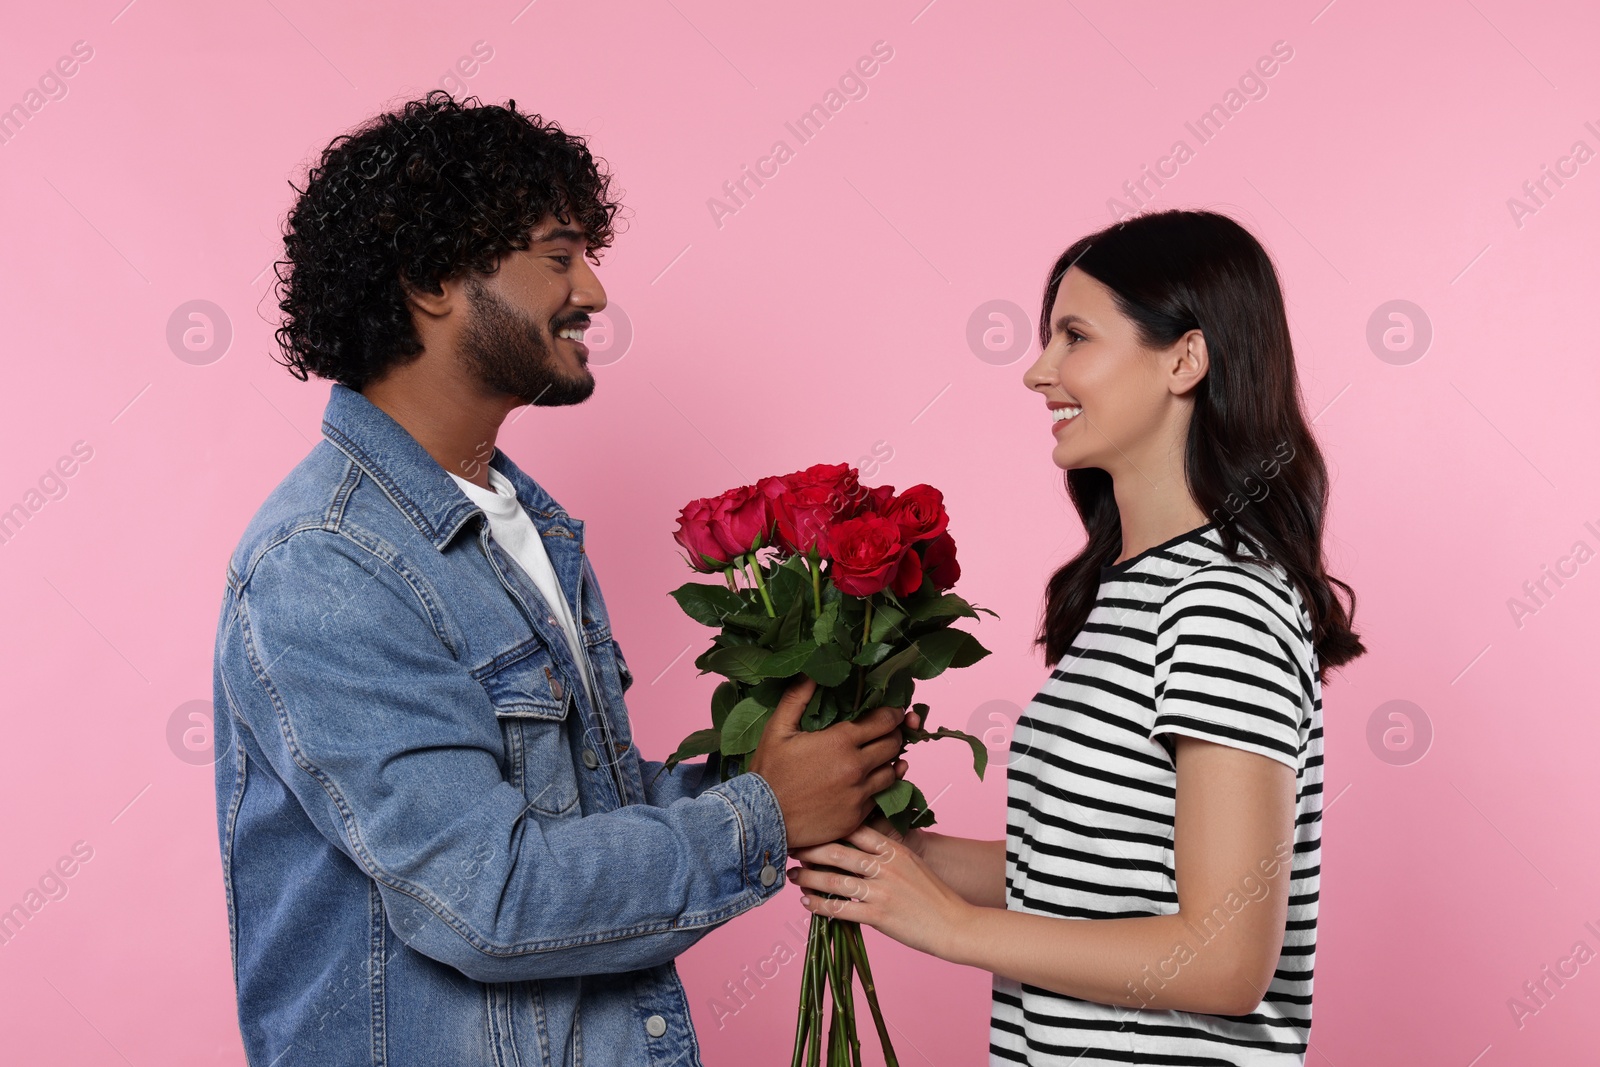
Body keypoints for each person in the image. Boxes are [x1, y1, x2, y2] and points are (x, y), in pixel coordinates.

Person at [209, 91, 908, 1067]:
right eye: (558, 254)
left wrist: (765, 772)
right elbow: (488, 896)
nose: (593, 291)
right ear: (431, 279)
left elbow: (571, 806)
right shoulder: (328, 564)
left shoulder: (519, 524)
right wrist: (766, 814)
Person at [789, 209, 1366, 1065]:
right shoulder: (1132, 592)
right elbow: (1084, 876)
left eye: (1075, 336)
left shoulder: (1221, 605)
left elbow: (1226, 960)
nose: (1038, 372)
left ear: (1185, 358)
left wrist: (950, 926)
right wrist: (886, 854)